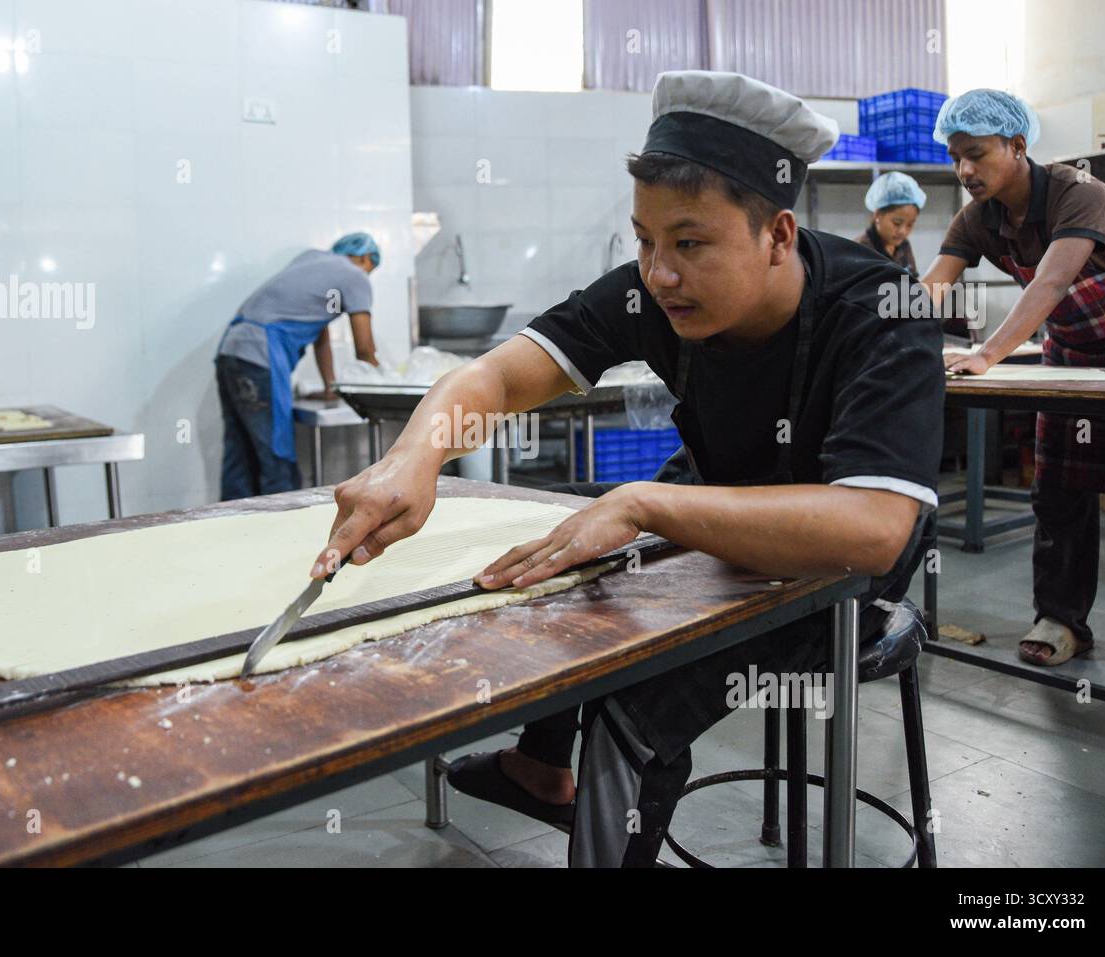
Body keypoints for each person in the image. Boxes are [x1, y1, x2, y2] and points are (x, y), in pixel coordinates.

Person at [309, 71, 945, 866]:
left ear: (778, 234)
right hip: (723, 497)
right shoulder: (656, 296)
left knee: (632, 696)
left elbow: (874, 530)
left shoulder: (884, 308)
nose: (659, 273)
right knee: (565, 571)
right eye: (645, 241)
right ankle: (540, 769)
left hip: (839, 577)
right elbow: (498, 377)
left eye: (690, 243)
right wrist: (415, 456)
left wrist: (644, 504)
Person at [923, 89, 1105, 671]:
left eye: (976, 154)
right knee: (1059, 490)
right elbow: (934, 286)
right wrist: (894, 341)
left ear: (1017, 145)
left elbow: (1050, 282)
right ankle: (1062, 619)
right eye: (955, 156)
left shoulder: (1081, 193)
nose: (964, 170)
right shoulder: (978, 217)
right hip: (1070, 355)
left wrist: (988, 353)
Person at [215, 233, 381, 499]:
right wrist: (379, 385)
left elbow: (320, 334)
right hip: (260, 355)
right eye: (371, 270)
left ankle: (231, 529)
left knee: (240, 453)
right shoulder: (355, 275)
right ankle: (282, 531)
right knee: (276, 454)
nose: (367, 278)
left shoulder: (311, 259)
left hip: (231, 351)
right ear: (364, 258)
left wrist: (331, 387)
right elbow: (365, 349)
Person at [856, 171, 926, 276]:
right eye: (897, 223)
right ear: (877, 215)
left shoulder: (903, 246)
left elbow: (913, 281)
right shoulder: (861, 250)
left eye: (910, 224)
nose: (903, 231)